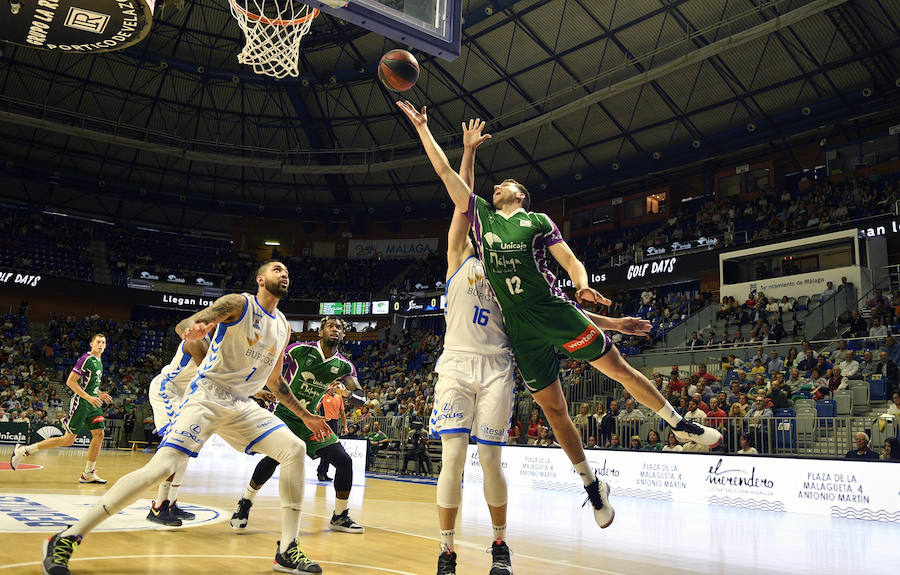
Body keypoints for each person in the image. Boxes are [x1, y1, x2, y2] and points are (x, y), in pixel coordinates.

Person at [399, 99, 722, 529]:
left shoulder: (537, 221)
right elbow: (448, 175)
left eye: (505, 185)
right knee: (555, 411)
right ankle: (592, 485)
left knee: (617, 369)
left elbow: (568, 260)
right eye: (495, 186)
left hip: (552, 310)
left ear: (521, 195)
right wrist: (427, 130)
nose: (497, 188)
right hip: (519, 329)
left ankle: (680, 424)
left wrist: (583, 283)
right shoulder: (481, 219)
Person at [40, 261, 333, 575]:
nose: (284, 273)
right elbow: (187, 326)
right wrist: (193, 329)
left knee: (294, 449)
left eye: (286, 270)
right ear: (260, 279)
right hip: (208, 395)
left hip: (242, 403)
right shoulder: (239, 303)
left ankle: (287, 549)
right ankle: (67, 536)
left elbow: (275, 381)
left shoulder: (283, 325)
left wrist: (307, 416)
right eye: (276, 269)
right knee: (162, 468)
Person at [425, 118, 516, 575]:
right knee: (454, 458)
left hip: (497, 365)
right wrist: (468, 152)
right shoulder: (460, 256)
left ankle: (500, 544)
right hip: (457, 365)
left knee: (490, 458)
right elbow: (460, 196)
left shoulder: (513, 270)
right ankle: (447, 550)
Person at [230, 315, 366, 536]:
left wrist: (352, 395)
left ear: (343, 334)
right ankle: (245, 502)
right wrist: (258, 387)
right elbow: (270, 365)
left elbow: (359, 394)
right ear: (320, 332)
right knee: (274, 459)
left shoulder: (344, 365)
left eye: (339, 327)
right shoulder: (299, 349)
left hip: (310, 420)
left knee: (344, 461)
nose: (335, 329)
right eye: (330, 326)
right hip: (284, 413)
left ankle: (340, 515)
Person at [11, 333, 112, 483]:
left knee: (99, 434)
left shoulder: (99, 360)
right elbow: (70, 382)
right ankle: (24, 450)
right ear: (91, 344)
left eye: (103, 342)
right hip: (82, 403)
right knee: (68, 440)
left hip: (93, 403)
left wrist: (99, 393)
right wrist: (89, 397)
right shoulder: (85, 359)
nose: (101, 344)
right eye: (98, 342)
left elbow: (89, 384)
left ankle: (88, 473)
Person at [145, 336, 212, 526]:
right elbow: (209, 373)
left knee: (185, 449)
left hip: (183, 393)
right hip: (167, 388)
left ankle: (171, 502)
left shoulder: (222, 341)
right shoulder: (198, 338)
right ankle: (159, 506)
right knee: (177, 445)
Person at [315, 377, 348, 482]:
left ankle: (324, 472)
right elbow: (315, 410)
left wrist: (345, 426)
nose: (335, 388)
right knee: (326, 447)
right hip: (325, 423)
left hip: (334, 423)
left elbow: (342, 413)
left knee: (332, 448)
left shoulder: (339, 397)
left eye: (337, 386)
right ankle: (321, 472)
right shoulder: (323, 396)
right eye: (334, 385)